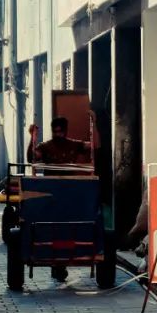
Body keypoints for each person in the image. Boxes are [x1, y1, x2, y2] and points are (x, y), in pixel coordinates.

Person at [26, 113, 97, 281]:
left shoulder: (74, 144)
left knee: (68, 225)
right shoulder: (45, 146)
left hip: (69, 190)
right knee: (53, 226)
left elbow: (93, 147)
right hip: (51, 191)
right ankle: (57, 264)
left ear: (65, 131)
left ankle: (61, 263)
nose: (58, 134)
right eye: (55, 131)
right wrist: (32, 138)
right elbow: (31, 158)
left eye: (60, 131)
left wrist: (94, 126)